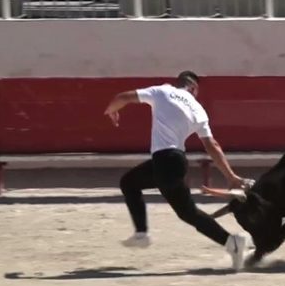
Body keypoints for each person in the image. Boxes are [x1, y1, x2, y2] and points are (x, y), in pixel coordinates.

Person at [103, 71, 250, 270]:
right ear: (194, 89)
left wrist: (111, 110)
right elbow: (212, 145)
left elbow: (123, 97)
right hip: (178, 161)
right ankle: (231, 243)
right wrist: (230, 177)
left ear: (178, 83)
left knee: (133, 185)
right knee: (185, 211)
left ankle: (142, 233)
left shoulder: (162, 91)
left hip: (164, 161)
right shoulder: (198, 109)